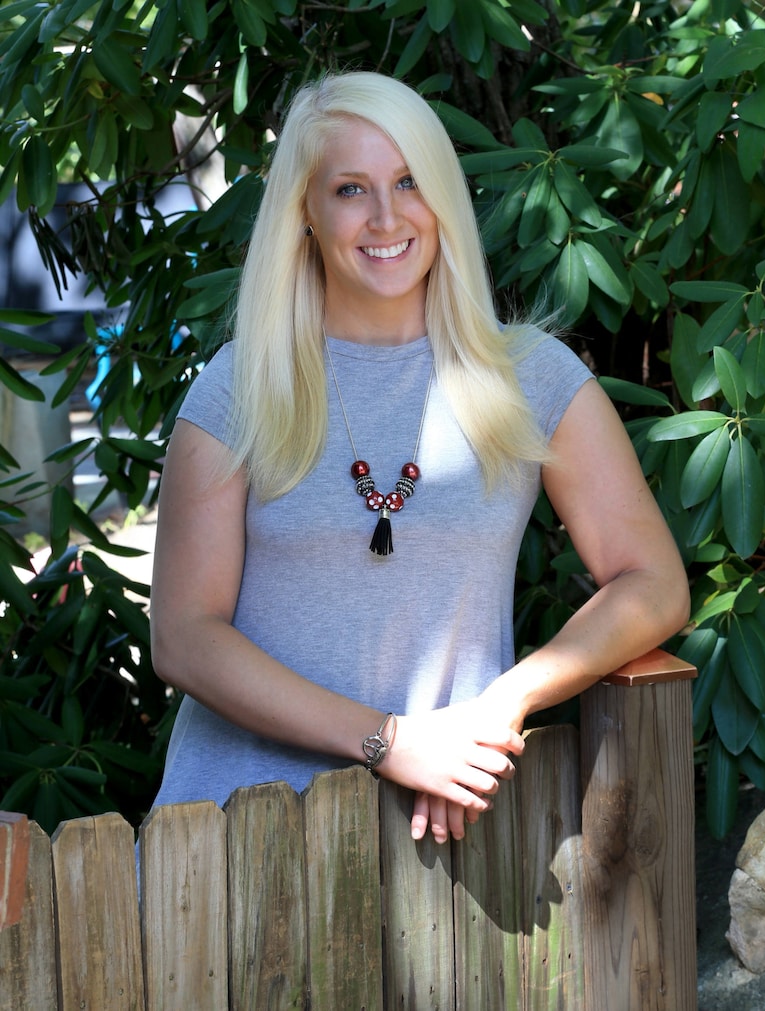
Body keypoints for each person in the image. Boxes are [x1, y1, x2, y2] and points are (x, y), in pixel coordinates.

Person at [148, 71, 690, 845]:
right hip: (231, 840)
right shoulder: (239, 387)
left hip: (438, 850)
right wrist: (388, 740)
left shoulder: (529, 380)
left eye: (408, 181)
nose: (386, 216)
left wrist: (504, 701)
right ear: (303, 210)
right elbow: (185, 636)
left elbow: (656, 582)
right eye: (349, 189)